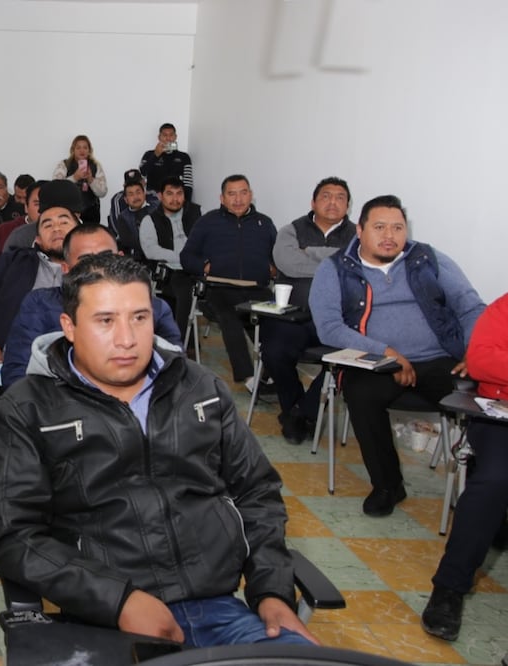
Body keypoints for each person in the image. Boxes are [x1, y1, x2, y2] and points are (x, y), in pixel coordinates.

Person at [0, 252, 315, 648]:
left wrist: (272, 590)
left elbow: (256, 492)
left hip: (219, 611)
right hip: (101, 616)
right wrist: (119, 600)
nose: (127, 339)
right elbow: (12, 534)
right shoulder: (28, 409)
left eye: (139, 317)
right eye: (105, 321)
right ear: (69, 326)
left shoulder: (199, 388)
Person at [309, 194, 485, 516]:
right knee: (360, 393)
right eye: (379, 227)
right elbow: (329, 327)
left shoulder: (427, 259)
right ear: (360, 230)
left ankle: (482, 495)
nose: (389, 236)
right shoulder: (335, 268)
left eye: (397, 228)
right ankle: (387, 485)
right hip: (377, 361)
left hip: (439, 358)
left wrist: (474, 351)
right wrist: (387, 353)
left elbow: (470, 306)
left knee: (484, 402)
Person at [421, 293, 508, 641]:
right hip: (500, 416)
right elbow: (481, 361)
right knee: (494, 481)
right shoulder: (504, 308)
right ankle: (449, 587)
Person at [1, 224, 182, 388]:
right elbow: (18, 376)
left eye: (106, 257)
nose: (99, 268)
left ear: (120, 257)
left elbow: (177, 370)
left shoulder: (153, 308)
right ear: (66, 269)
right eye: (86, 261)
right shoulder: (40, 304)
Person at [263, 177, 356, 444]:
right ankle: (295, 406)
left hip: (340, 320)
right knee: (273, 350)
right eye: (326, 196)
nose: (333, 202)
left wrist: (310, 253)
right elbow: (288, 264)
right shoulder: (291, 230)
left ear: (348, 205)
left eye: (340, 197)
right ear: (313, 202)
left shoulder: (358, 234)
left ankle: (302, 413)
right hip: (295, 316)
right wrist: (337, 261)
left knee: (348, 358)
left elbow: (356, 265)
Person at [0, 180, 81, 363]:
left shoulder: (93, 268)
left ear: (78, 229)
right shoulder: (14, 262)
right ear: (38, 239)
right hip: (10, 360)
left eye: (64, 222)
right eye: (47, 225)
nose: (56, 228)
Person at [180, 174, 277, 385]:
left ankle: (270, 374)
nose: (238, 199)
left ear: (251, 195)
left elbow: (276, 256)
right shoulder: (208, 222)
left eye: (243, 193)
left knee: (277, 324)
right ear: (222, 198)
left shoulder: (264, 223)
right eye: (231, 194)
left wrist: (273, 268)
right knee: (230, 317)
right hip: (218, 289)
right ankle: (247, 376)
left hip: (257, 289)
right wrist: (204, 267)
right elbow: (186, 257)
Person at [139, 175, 202, 333]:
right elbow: (151, 250)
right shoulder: (150, 220)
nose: (175, 199)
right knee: (185, 292)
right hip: (171, 271)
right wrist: (184, 258)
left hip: (199, 269)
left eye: (179, 193)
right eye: (170, 193)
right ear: (160, 196)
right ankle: (181, 341)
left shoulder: (196, 213)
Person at [0, 180, 46, 279]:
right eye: (37, 204)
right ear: (26, 207)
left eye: (50, 204)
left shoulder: (62, 231)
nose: (43, 209)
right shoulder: (5, 230)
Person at [52, 134, 108, 224]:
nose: (82, 151)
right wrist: (75, 177)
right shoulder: (64, 165)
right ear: (73, 150)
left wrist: (91, 180)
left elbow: (103, 192)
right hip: (69, 211)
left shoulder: (96, 166)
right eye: (78, 148)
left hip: (91, 213)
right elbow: (55, 188)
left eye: (85, 148)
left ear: (89, 150)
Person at [107, 169, 158, 257]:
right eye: (131, 194)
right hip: (134, 253)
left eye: (138, 192)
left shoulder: (156, 205)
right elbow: (119, 231)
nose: (135, 197)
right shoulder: (123, 216)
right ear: (126, 199)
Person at [139, 122, 194, 202]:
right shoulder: (148, 154)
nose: (168, 138)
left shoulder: (184, 157)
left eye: (171, 135)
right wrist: (155, 155)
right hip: (154, 199)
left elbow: (188, 184)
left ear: (175, 137)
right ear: (159, 137)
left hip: (175, 200)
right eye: (165, 135)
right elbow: (142, 173)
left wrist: (186, 203)